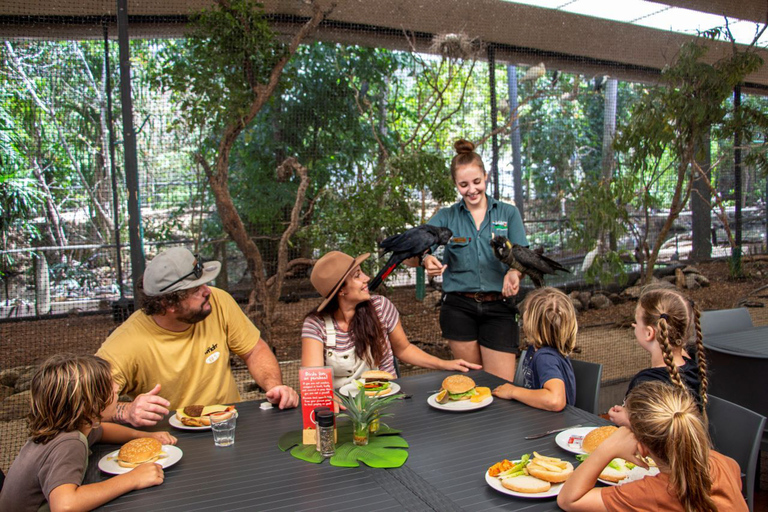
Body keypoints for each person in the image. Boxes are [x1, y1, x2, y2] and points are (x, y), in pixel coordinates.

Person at [96, 247, 299, 427]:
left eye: (205, 283)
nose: (207, 291)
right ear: (169, 304)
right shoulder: (125, 344)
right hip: (168, 437)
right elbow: (89, 404)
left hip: (227, 423)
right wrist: (126, 411)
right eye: (196, 290)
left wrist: (274, 386)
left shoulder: (218, 301)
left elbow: (254, 350)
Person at [0, 354, 177, 512]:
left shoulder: (70, 427)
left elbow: (102, 431)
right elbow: (65, 506)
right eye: (110, 387)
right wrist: (133, 478)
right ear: (90, 404)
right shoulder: (70, 443)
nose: (116, 389)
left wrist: (144, 436)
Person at [420, 139, 528, 381]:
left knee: (500, 386)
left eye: (477, 182)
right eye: (464, 184)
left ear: (486, 176)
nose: (471, 190)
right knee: (470, 383)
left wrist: (514, 272)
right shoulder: (447, 216)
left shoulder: (508, 213)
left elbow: (521, 256)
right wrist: (425, 259)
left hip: (499, 306)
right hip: (459, 308)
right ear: (456, 184)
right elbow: (414, 249)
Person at [301, 251, 481, 388]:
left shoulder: (380, 307)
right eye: (357, 276)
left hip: (385, 398)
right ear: (341, 290)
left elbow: (403, 349)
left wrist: (445, 364)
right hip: (342, 409)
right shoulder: (316, 325)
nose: (367, 278)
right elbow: (314, 382)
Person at [558, 381, 747, 511]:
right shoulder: (722, 463)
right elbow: (735, 472)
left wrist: (607, 448)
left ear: (642, 447)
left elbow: (569, 499)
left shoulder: (651, 492)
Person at [608, 287, 708, 427]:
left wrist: (627, 421)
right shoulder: (694, 366)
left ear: (649, 333)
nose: (634, 326)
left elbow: (655, 433)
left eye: (636, 323)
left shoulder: (645, 382)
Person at [491, 287, 576, 411]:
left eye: (526, 310)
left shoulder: (545, 358)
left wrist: (513, 391)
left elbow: (555, 400)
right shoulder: (536, 349)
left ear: (532, 322)